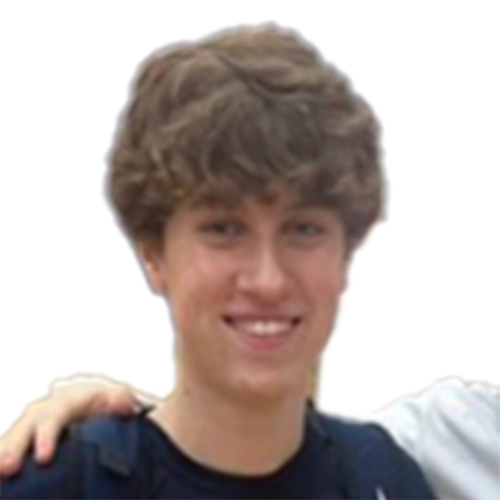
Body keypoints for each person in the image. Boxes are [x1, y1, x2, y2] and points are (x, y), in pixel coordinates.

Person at [0, 24, 437, 499]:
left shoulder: (385, 477)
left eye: (303, 229)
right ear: (153, 253)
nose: (267, 281)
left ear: (346, 256)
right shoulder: (60, 488)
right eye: (224, 229)